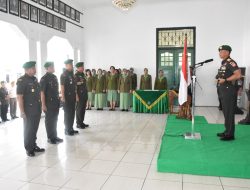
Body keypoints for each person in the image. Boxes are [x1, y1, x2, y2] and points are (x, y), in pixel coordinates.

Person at [16, 61, 45, 157]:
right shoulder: (22, 80)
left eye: (34, 67)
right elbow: (19, 97)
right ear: (27, 70)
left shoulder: (35, 79)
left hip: (36, 108)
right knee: (28, 129)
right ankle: (29, 148)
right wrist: (22, 111)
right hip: (28, 110)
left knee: (34, 129)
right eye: (33, 68)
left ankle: (33, 145)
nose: (35, 69)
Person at [216, 45, 241, 141]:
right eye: (219, 51)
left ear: (227, 52)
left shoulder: (231, 62)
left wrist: (225, 80)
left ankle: (230, 134)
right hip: (223, 89)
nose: (220, 53)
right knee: (226, 111)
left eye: (221, 51)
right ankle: (227, 131)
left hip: (228, 89)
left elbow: (238, 75)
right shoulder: (224, 63)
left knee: (229, 112)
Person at [40, 62, 63, 144]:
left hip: (55, 103)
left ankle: (54, 136)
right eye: (52, 67)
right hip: (48, 104)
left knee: (55, 120)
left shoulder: (54, 77)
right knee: (49, 121)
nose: (54, 68)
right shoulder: (44, 79)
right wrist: (43, 105)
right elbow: (42, 93)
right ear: (47, 68)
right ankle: (50, 138)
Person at [60, 59, 79, 136]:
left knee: (72, 113)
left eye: (72, 64)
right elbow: (62, 87)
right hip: (67, 97)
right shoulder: (63, 75)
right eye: (70, 64)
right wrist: (63, 97)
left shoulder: (72, 75)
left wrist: (76, 95)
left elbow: (74, 86)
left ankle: (71, 128)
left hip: (72, 97)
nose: (72, 65)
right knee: (67, 114)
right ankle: (67, 129)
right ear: (66, 65)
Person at [75, 62, 89, 129]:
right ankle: (78, 123)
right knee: (79, 109)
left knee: (83, 109)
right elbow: (75, 87)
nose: (83, 68)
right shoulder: (76, 75)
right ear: (78, 68)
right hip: (79, 95)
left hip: (84, 94)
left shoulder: (83, 74)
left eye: (83, 66)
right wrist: (76, 96)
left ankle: (81, 122)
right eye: (81, 67)